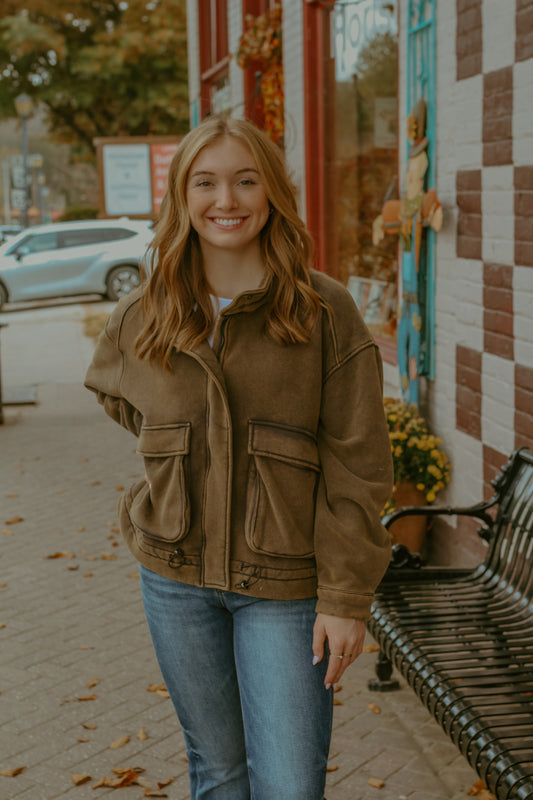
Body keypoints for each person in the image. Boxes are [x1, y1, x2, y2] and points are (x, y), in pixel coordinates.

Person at [85, 115, 393, 800]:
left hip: (284, 588)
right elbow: (122, 400)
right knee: (217, 774)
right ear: (182, 198)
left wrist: (345, 597)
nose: (226, 200)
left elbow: (358, 463)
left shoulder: (322, 310)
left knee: (288, 784)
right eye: (206, 182)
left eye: (245, 180)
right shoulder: (144, 312)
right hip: (175, 577)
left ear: (273, 192)